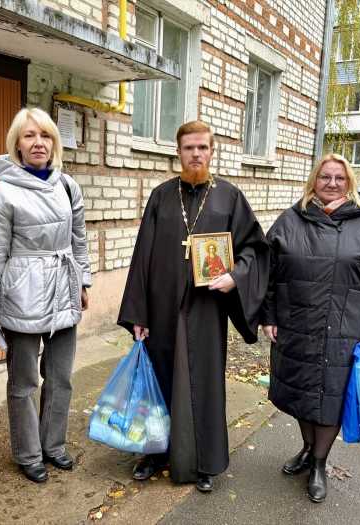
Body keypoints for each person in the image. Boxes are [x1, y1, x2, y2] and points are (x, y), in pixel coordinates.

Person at [118, 120, 269, 493]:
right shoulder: (161, 196)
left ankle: (203, 461)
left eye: (203, 147)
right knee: (159, 377)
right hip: (162, 306)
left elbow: (255, 249)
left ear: (212, 151)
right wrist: (138, 313)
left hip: (206, 309)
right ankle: (154, 453)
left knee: (203, 381)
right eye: (189, 148)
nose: (196, 154)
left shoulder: (229, 197)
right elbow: (142, 256)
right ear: (178, 152)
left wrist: (235, 276)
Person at [260, 153, 360, 503]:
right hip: (296, 325)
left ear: (349, 183)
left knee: (331, 396)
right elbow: (268, 273)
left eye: (339, 178)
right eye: (325, 177)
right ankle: (307, 448)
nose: (332, 183)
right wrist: (268, 316)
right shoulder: (290, 220)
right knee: (302, 392)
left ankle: (319, 462)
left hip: (345, 329)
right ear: (313, 181)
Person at [0, 107, 91, 484]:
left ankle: (53, 445)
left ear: (54, 142)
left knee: (60, 377)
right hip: (22, 291)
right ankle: (28, 453)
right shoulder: (2, 192)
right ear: (17, 143)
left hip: (64, 286)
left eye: (45, 135)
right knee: (24, 381)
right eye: (29, 135)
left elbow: (79, 239)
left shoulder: (67, 185)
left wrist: (83, 281)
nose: (38, 142)